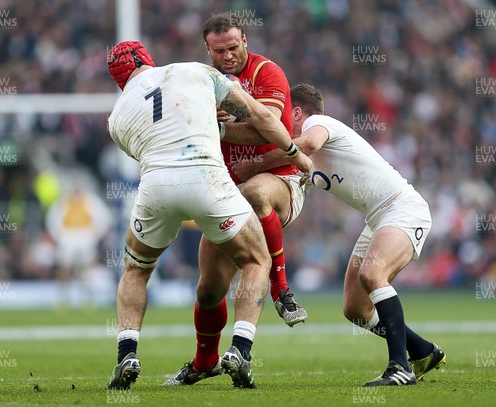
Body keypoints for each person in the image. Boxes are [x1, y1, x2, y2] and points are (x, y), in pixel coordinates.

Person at [104, 41, 312, 390]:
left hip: (156, 186)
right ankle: (241, 349)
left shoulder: (116, 116)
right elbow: (262, 116)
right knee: (255, 261)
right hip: (207, 180)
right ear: (147, 59)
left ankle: (127, 351)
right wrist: (295, 152)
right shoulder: (195, 71)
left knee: (136, 270)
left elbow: (147, 145)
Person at [230, 84, 447, 386]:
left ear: (297, 111)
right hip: (377, 218)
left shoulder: (317, 124)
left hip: (403, 209)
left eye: (282, 115)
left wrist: (255, 163)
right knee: (356, 309)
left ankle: (401, 367)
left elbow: (307, 145)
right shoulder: (301, 152)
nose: (276, 121)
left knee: (373, 275)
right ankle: (423, 351)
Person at [164, 11, 309, 387]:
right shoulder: (201, 79)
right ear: (206, 49)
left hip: (279, 181)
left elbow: (268, 125)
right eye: (219, 50)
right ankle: (205, 361)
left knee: (256, 193)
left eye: (233, 47)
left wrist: (220, 125)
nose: (227, 55)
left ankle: (282, 291)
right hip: (227, 195)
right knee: (209, 290)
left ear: (245, 40)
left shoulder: (267, 73)